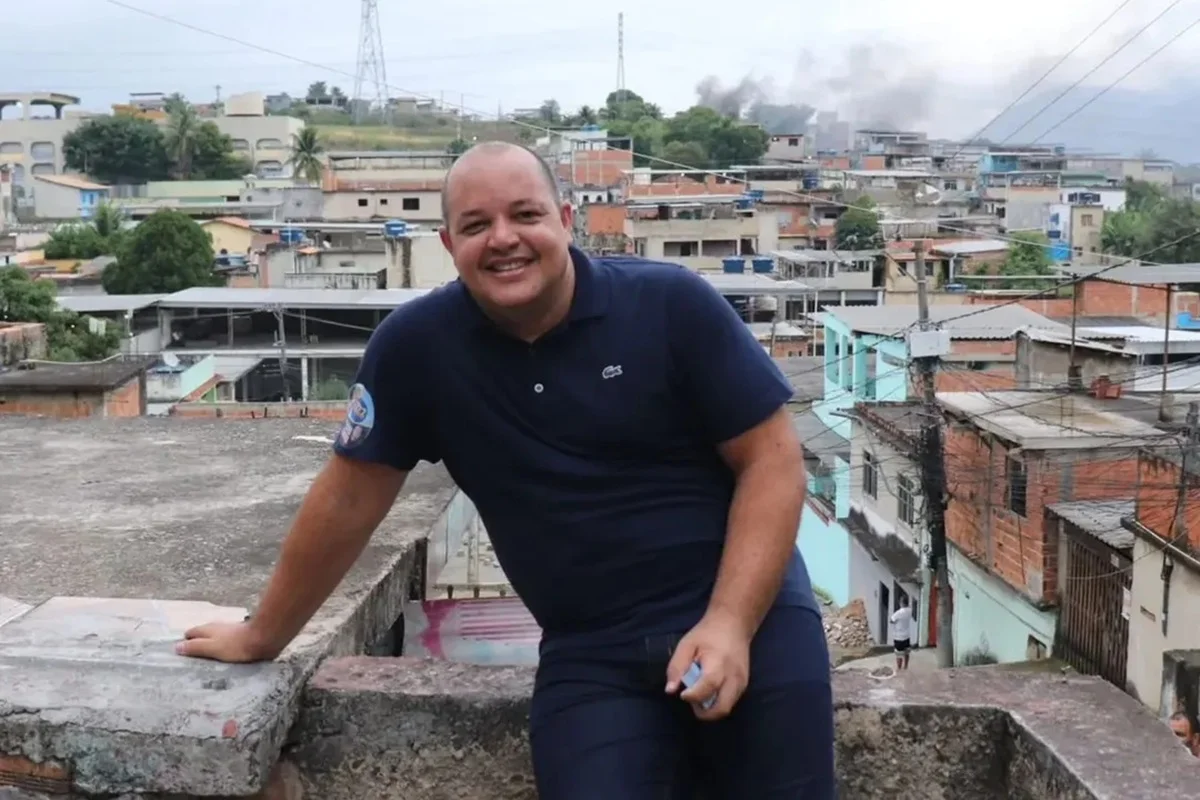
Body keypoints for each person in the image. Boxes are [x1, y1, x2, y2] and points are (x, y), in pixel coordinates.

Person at [176, 141, 835, 799]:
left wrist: (729, 623)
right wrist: (263, 634)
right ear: (447, 241)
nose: (504, 240)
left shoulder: (669, 305)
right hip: (590, 649)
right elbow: (348, 501)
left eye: (525, 215)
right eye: (476, 225)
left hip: (748, 611)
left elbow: (773, 463)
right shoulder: (418, 350)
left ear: (566, 219)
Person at [890, 596, 913, 671]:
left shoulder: (899, 613)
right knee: (906, 652)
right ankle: (906, 666)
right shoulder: (910, 610)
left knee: (899, 655)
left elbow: (891, 620)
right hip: (907, 636)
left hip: (898, 637)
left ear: (901, 603)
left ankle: (899, 668)